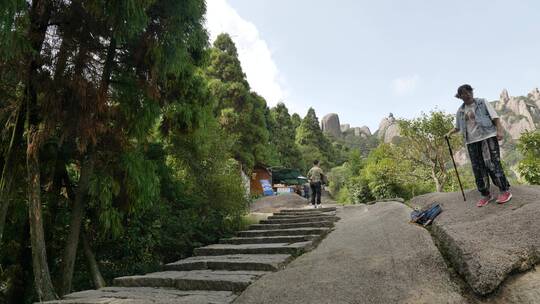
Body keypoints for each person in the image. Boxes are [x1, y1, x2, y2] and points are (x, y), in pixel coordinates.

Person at [446, 84, 512, 207]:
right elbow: (457, 127)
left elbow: (495, 118)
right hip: (471, 142)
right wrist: (449, 133)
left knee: (493, 164)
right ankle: (485, 194)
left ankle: (504, 191)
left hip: (487, 137)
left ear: (472, 92)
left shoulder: (482, 102)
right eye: (464, 94)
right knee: (478, 168)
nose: (467, 95)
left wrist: (500, 130)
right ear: (460, 96)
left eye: (469, 92)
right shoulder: (460, 111)